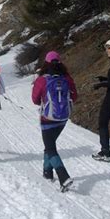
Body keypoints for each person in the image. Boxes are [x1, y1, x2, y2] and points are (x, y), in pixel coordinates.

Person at [32, 51, 78, 192]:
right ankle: (47, 171)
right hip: (63, 118)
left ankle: (63, 176)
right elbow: (74, 96)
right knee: (49, 144)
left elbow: (34, 100)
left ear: (46, 63)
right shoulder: (67, 78)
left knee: (50, 148)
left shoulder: (42, 79)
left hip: (47, 118)